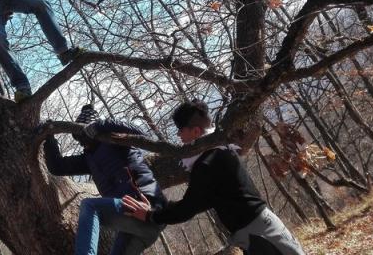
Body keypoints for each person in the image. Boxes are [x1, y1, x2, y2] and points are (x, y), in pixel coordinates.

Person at [121, 100, 306, 255]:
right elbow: (200, 201)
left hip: (258, 234)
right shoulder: (220, 152)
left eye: (180, 129)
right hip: (260, 228)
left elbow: (187, 208)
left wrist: (150, 215)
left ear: (195, 131)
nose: (178, 135)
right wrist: (161, 209)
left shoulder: (207, 163)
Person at [44, 105, 167, 255]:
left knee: (90, 206)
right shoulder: (89, 160)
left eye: (83, 137)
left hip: (149, 207)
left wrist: (101, 125)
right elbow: (57, 167)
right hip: (136, 226)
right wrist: (49, 137)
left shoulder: (117, 140)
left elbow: (141, 133)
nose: (82, 143)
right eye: (79, 139)